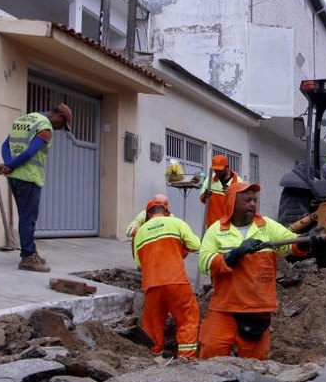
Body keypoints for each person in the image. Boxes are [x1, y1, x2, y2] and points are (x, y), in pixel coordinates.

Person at [197, 181, 314, 360]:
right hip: (224, 307)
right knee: (211, 352)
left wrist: (306, 242)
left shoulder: (266, 226)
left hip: (257, 309)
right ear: (232, 203)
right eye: (247, 200)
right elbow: (204, 262)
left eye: (254, 200)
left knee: (255, 362)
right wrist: (235, 254)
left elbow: (289, 243)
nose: (253, 203)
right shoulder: (216, 230)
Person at [0, 103, 72, 273]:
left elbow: (5, 145)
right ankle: (27, 257)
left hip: (14, 178)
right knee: (28, 218)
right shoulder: (45, 128)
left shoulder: (24, 120)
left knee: (24, 216)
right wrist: (10, 165)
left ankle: (31, 251)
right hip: (29, 177)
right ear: (60, 118)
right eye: (62, 125)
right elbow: (29, 153)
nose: (59, 129)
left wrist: (8, 166)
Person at [132, 199, 201, 359]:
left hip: (152, 286)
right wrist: (178, 250)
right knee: (188, 318)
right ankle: (186, 357)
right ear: (166, 211)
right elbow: (195, 245)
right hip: (176, 282)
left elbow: (139, 263)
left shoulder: (140, 232)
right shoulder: (176, 223)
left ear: (148, 215)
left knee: (152, 325)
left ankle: (153, 357)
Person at [199, 154, 241, 228]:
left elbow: (242, 202)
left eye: (220, 170)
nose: (217, 172)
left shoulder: (238, 181)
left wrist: (231, 192)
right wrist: (205, 195)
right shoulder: (209, 180)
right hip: (213, 224)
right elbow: (202, 198)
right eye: (215, 169)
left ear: (227, 168)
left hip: (230, 225)